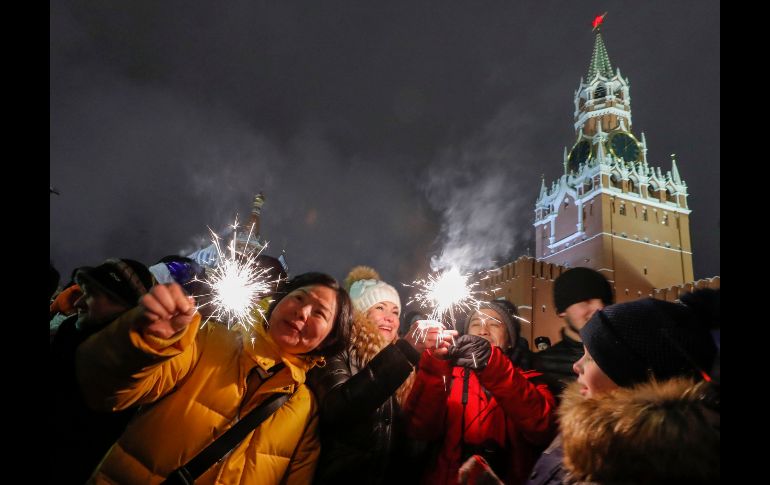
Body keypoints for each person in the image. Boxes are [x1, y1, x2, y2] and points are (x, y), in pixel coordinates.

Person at [76, 272, 352, 484]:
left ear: (329, 338)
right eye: (299, 297)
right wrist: (146, 340)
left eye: (319, 313)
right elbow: (107, 391)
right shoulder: (205, 340)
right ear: (278, 300)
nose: (302, 312)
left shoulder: (305, 410)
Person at [526, 290, 719, 485]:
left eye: (591, 357)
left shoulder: (628, 463)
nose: (576, 366)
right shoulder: (588, 426)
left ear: (632, 376)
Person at [308, 266, 453, 484]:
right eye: (380, 308)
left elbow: (419, 434)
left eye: (395, 312)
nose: (389, 318)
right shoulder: (335, 348)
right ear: (360, 313)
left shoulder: (407, 364)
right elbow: (338, 410)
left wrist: (435, 364)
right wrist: (406, 351)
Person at [404, 299, 556, 484]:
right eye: (476, 324)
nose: (483, 330)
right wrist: (435, 365)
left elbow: (542, 430)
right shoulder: (448, 376)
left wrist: (494, 365)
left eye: (494, 324)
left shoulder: (530, 379)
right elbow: (419, 429)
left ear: (510, 341)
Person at [51, 258, 155, 485]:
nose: (78, 302)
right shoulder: (69, 330)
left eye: (91, 295)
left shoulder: (133, 362)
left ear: (125, 306)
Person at [531, 267, 613, 399]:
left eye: (605, 301)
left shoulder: (630, 357)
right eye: (586, 301)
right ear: (562, 310)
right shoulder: (538, 366)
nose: (599, 308)